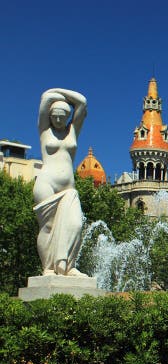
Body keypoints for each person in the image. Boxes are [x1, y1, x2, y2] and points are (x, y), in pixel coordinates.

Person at [33, 88, 88, 276]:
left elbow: (81, 102)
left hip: (68, 188)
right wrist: (53, 94)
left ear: (68, 116)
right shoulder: (44, 131)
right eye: (54, 116)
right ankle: (48, 268)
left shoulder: (73, 130)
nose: (58, 120)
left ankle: (69, 266)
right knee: (47, 227)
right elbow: (46, 97)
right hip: (46, 183)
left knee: (76, 224)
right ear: (49, 116)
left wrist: (60, 93)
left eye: (62, 116)